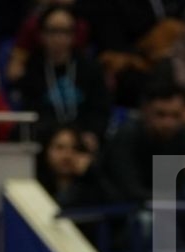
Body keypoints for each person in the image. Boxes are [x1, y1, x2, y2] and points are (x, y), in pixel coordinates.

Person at [11, 2, 111, 145]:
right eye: (53, 31)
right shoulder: (32, 69)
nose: (59, 38)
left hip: (83, 140)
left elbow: (100, 109)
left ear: (73, 35)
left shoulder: (90, 68)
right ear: (41, 35)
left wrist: (92, 133)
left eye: (65, 31)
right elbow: (31, 111)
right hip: (45, 140)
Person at [99, 75, 185, 205]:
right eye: (161, 114)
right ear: (145, 111)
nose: (168, 123)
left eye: (176, 116)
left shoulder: (184, 137)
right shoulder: (126, 136)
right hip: (122, 210)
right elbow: (129, 190)